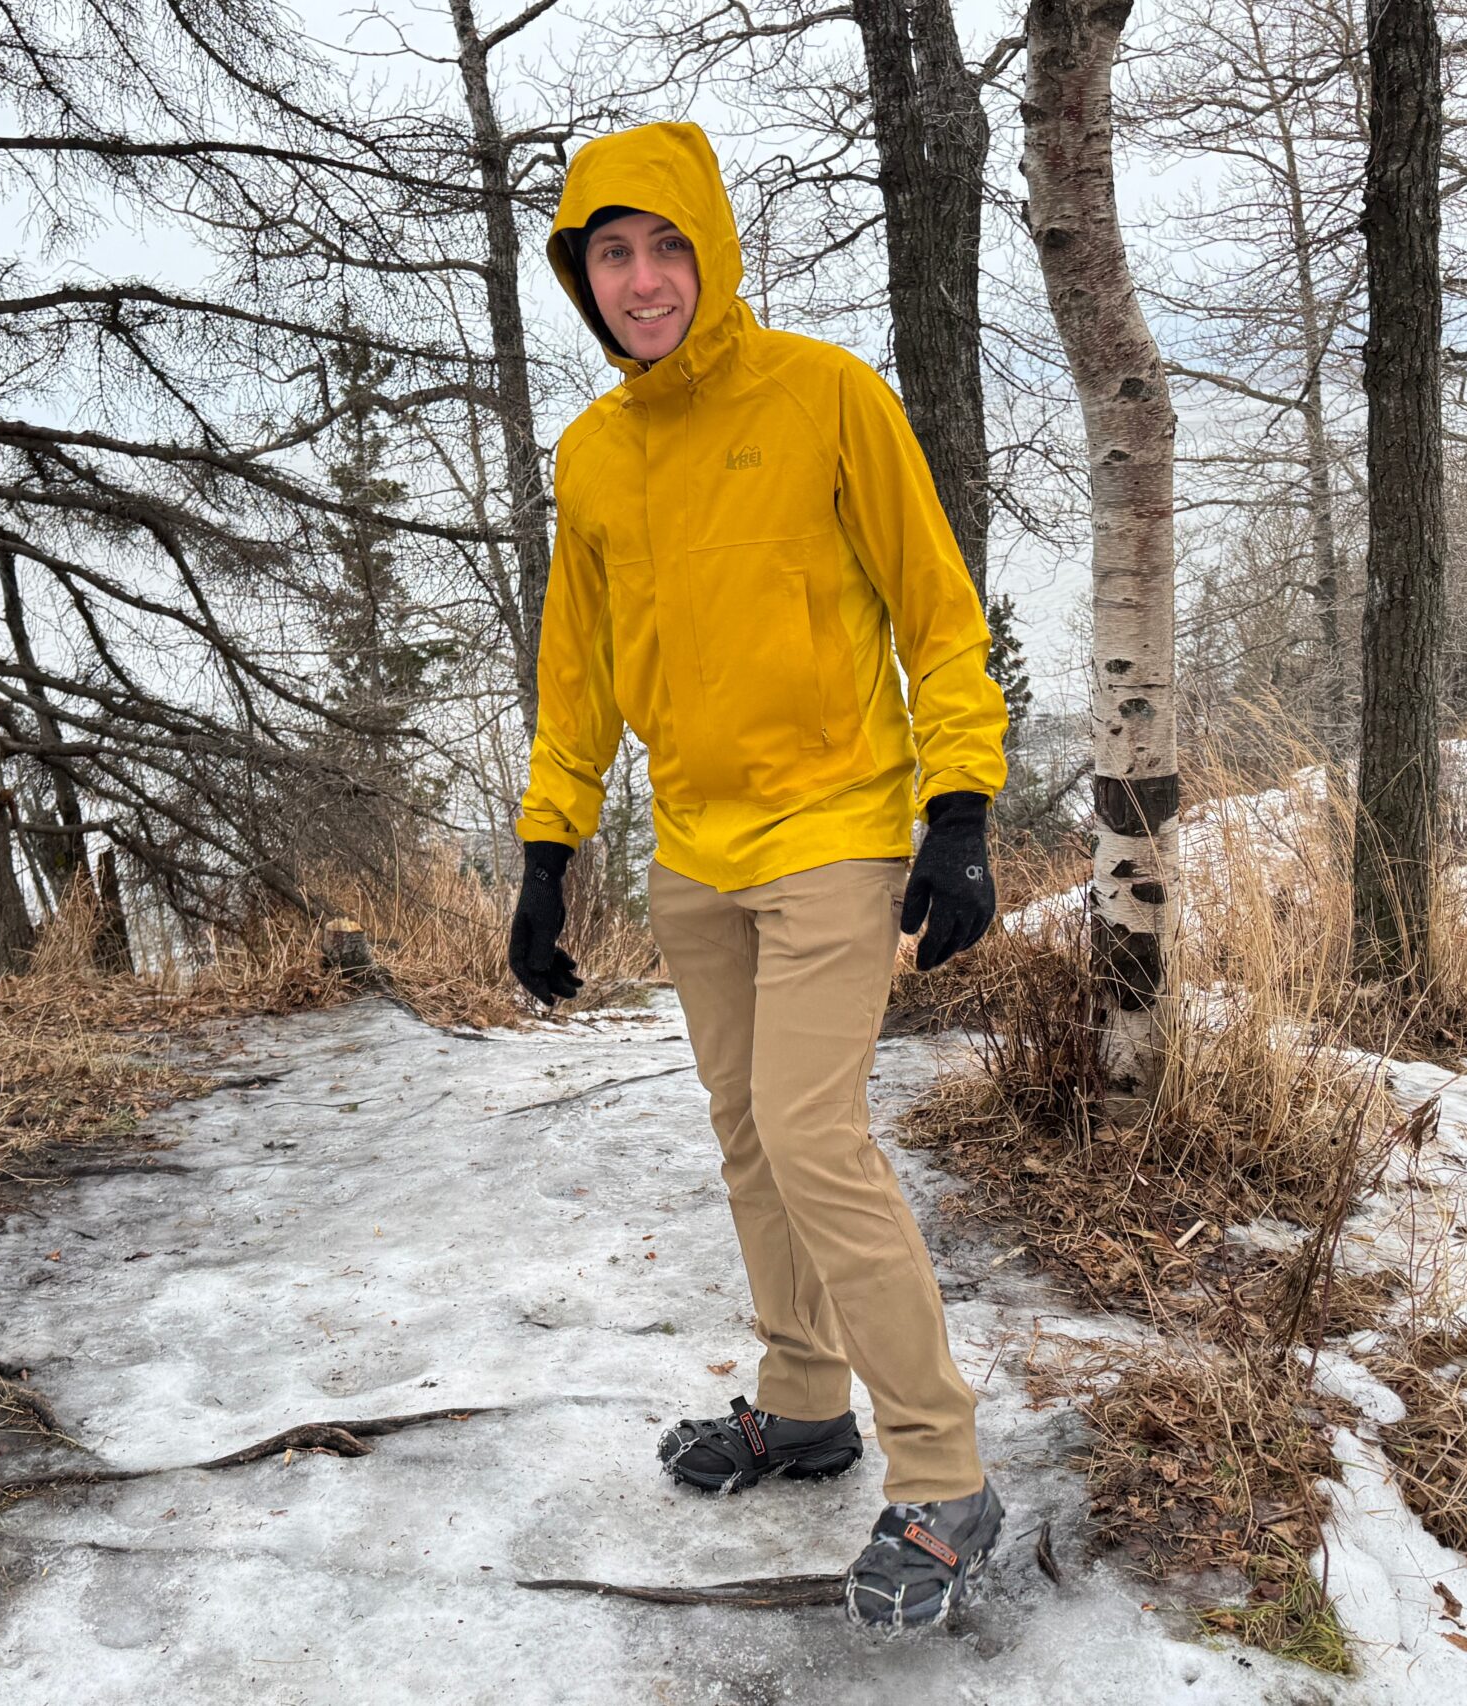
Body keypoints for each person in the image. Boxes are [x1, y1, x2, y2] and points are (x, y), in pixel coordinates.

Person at [506, 121, 1010, 1631]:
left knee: (811, 1132)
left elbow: (936, 607)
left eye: (667, 246)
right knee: (748, 1136)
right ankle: (802, 1401)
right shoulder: (593, 453)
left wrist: (962, 802)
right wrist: (547, 850)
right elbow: (577, 671)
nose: (644, 279)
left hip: (839, 827)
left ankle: (945, 1465)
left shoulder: (825, 397)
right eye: (613, 253)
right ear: (581, 275)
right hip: (695, 848)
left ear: (711, 248)